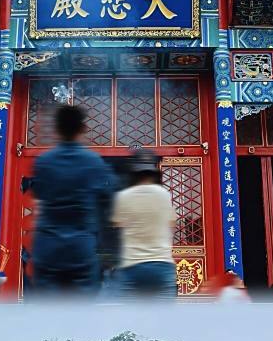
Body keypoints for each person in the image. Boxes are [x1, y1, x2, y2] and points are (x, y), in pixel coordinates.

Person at [30, 104, 115, 293]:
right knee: (80, 313)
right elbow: (107, 200)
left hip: (48, 246)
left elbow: (39, 195)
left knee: (47, 312)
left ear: (57, 129)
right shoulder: (93, 162)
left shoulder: (43, 162)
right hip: (80, 248)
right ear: (83, 128)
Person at [111, 152, 177, 298]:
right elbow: (172, 224)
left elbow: (117, 225)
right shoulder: (164, 194)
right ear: (153, 173)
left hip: (133, 264)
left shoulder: (124, 196)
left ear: (134, 173)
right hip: (162, 263)